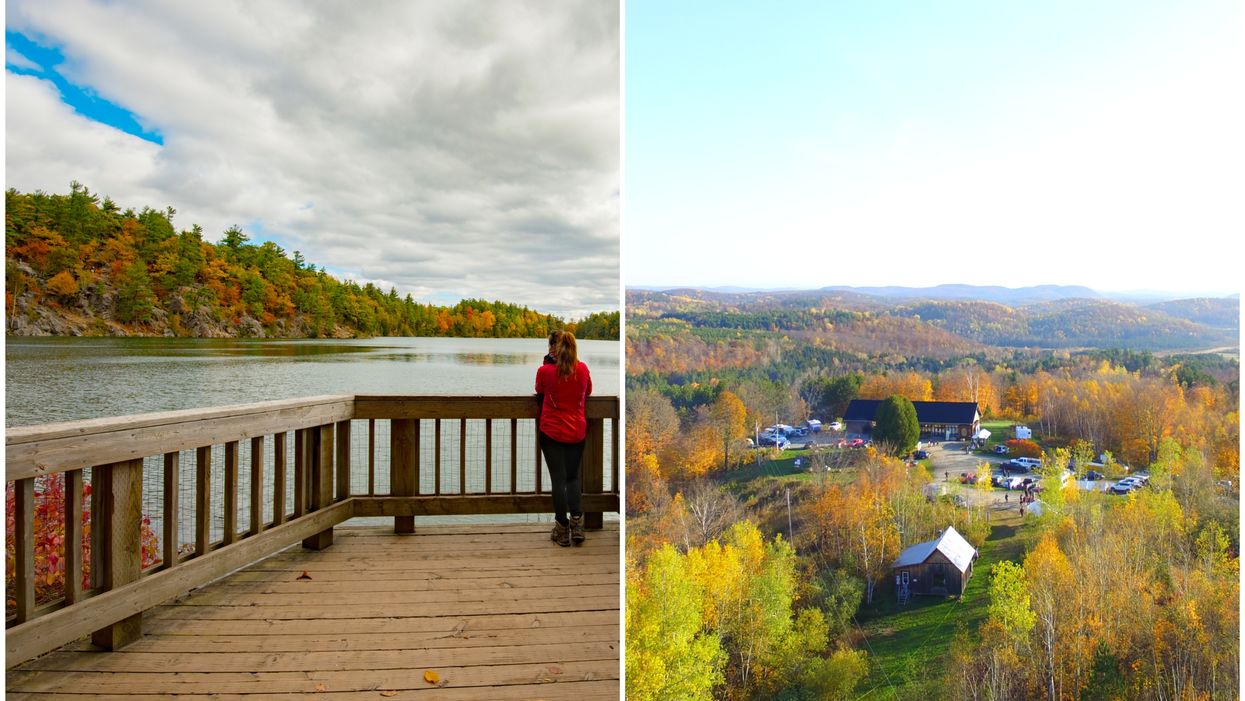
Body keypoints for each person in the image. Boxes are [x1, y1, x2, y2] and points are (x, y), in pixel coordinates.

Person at [535, 330, 592, 547]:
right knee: (572, 479)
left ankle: (561, 529)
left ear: (552, 349)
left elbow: (539, 389)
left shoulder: (545, 371)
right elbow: (588, 391)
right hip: (576, 432)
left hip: (551, 433)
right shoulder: (583, 369)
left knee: (558, 481)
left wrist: (547, 363)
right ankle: (577, 525)